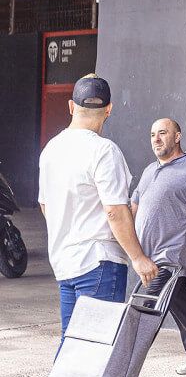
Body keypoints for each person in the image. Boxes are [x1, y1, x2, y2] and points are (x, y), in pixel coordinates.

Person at [39, 75, 158, 336]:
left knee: (74, 344)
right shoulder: (104, 150)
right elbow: (115, 210)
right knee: (96, 348)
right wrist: (138, 258)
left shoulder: (51, 149)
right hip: (99, 262)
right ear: (109, 109)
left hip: (64, 261)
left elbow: (45, 205)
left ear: (71, 107)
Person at [132, 117, 186, 374]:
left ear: (177, 136)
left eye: (163, 133)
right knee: (185, 312)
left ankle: (125, 368)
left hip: (169, 262)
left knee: (143, 316)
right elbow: (134, 207)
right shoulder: (148, 171)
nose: (156, 139)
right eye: (153, 134)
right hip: (145, 260)